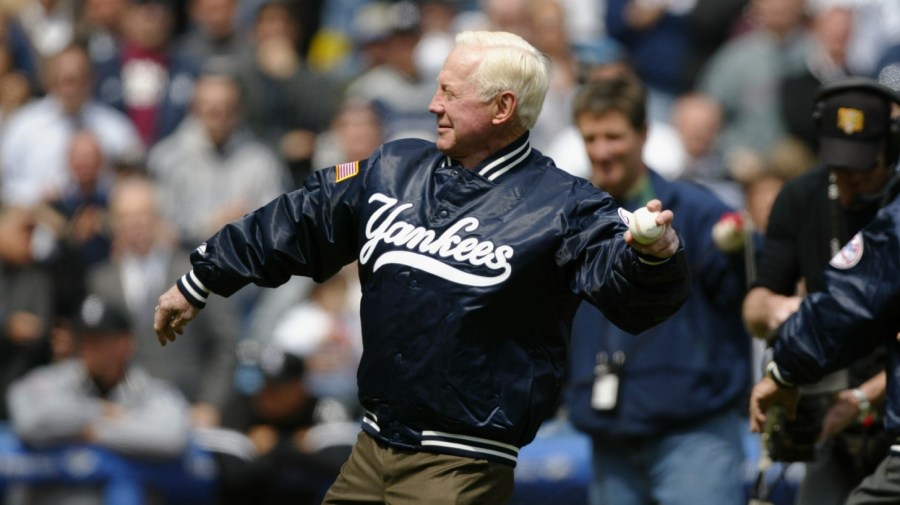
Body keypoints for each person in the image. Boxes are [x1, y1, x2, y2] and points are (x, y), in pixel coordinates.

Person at [153, 30, 691, 504]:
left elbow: (632, 297)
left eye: (451, 94)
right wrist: (201, 278)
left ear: (503, 108)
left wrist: (653, 257)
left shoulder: (564, 206)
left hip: (462, 463)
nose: (433, 104)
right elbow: (297, 219)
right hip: (372, 444)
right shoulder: (394, 167)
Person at [565, 73, 754, 505]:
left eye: (613, 135)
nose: (601, 150)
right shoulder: (572, 219)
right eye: (590, 137)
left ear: (644, 134)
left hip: (693, 433)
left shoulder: (701, 212)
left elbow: (749, 297)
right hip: (608, 434)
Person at [742, 77, 900, 505]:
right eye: (839, 167)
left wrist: (861, 399)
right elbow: (757, 303)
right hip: (827, 415)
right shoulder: (802, 196)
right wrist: (779, 310)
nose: (850, 180)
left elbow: (853, 299)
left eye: (863, 168)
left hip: (883, 408)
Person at [6, 294, 192, 505]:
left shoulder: (151, 390)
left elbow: (171, 438)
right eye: (83, 338)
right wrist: (98, 412)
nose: (87, 347)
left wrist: (95, 432)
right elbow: (28, 420)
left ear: (125, 343)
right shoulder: (55, 380)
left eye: (98, 339)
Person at [87, 175, 238, 427]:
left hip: (189, 411)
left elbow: (224, 345)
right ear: (113, 223)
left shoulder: (197, 272)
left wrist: (210, 404)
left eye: (143, 214)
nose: (135, 224)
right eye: (126, 217)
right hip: (121, 414)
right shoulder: (100, 281)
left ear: (158, 217)